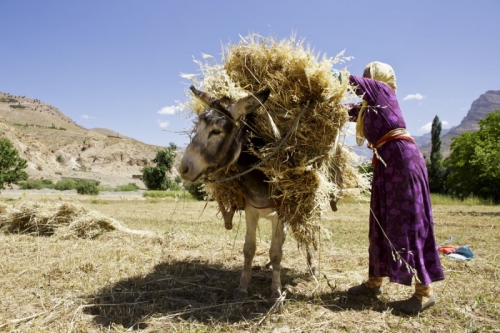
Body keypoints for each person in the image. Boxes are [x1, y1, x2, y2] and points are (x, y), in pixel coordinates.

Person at [345, 62, 445, 315]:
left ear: (378, 77)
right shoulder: (369, 107)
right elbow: (341, 112)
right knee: (379, 221)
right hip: (386, 162)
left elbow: (342, 78)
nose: (366, 76)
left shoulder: (381, 91)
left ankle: (425, 293)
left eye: (369, 73)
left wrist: (316, 72)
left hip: (402, 160)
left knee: (410, 222)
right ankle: (374, 282)